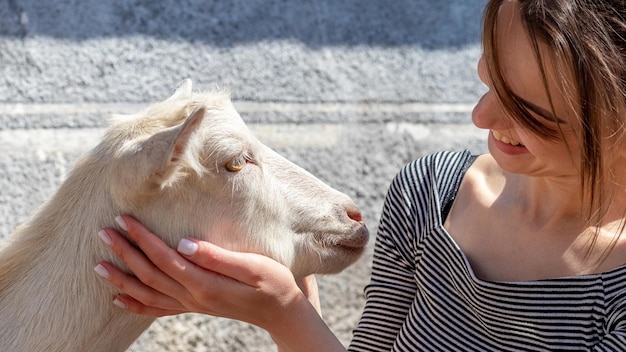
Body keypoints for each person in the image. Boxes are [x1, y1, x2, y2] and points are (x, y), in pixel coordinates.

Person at [93, 0, 626, 350]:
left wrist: (284, 314)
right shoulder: (431, 192)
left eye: (528, 112)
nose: (481, 118)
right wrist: (287, 292)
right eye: (489, 81)